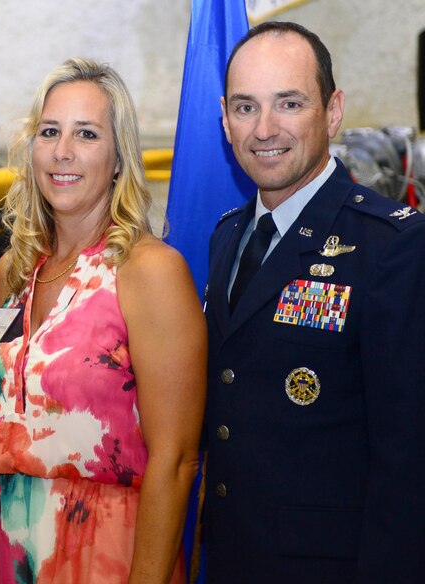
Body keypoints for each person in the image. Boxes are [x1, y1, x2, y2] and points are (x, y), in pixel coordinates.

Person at [0, 58, 207, 583]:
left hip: (108, 558)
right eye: (49, 131)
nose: (63, 152)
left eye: (87, 134)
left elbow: (178, 459)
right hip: (5, 558)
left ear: (119, 157)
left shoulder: (149, 272)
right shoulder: (14, 271)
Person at [204, 21, 425, 583]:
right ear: (226, 121)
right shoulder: (227, 237)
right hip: (233, 560)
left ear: (332, 111)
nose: (265, 129)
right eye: (246, 107)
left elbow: (409, 462)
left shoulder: (393, 247)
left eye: (290, 103)